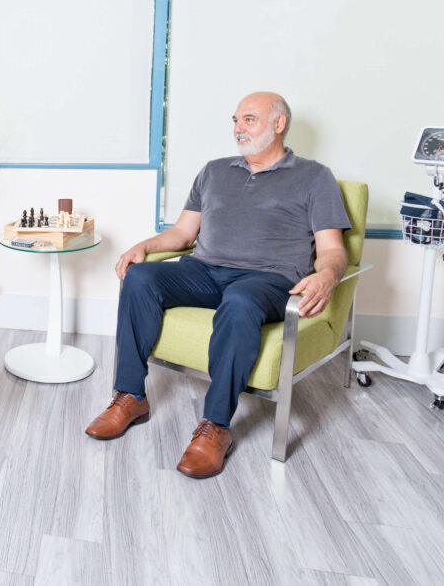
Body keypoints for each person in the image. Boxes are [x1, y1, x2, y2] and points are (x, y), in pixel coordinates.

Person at [85, 92, 351, 478]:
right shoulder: (214, 171)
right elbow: (181, 233)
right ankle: (130, 396)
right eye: (235, 120)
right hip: (205, 271)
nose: (237, 129)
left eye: (249, 120)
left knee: (241, 300)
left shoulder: (314, 176)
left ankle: (215, 427)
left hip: (268, 280)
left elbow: (332, 249)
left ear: (279, 124)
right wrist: (145, 245)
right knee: (141, 276)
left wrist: (327, 274)